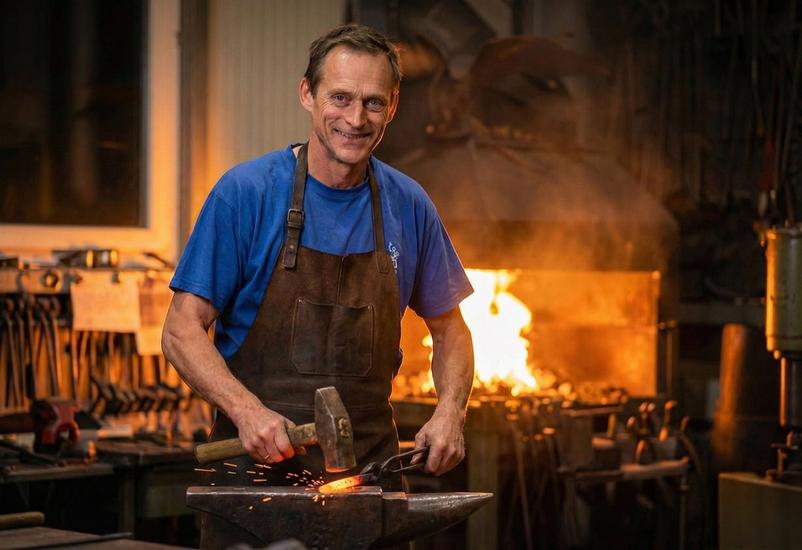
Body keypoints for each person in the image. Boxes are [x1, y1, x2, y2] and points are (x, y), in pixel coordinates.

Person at [162, 23, 475, 547]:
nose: (356, 119)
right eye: (340, 98)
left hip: (368, 480)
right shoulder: (246, 193)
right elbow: (181, 330)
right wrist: (246, 412)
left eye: (373, 103)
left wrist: (450, 413)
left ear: (393, 107)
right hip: (257, 482)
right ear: (307, 94)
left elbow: (452, 331)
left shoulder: (408, 204)